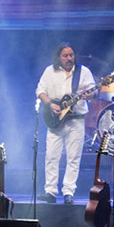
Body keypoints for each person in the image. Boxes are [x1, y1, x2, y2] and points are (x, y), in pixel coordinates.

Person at [35, 44, 95, 203]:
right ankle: (50, 192)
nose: (69, 58)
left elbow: (93, 91)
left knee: (73, 157)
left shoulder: (83, 72)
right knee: (51, 156)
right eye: (65, 56)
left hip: (76, 120)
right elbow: (40, 91)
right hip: (55, 120)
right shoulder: (50, 71)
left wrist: (89, 95)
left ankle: (69, 192)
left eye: (71, 55)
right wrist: (49, 104)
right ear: (59, 57)